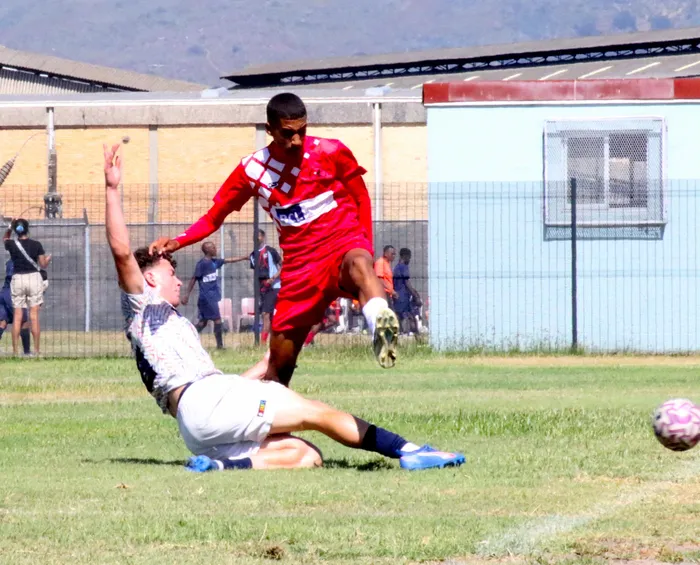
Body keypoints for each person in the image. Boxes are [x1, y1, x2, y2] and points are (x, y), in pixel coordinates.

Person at [104, 143, 464, 472]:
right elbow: (121, 251)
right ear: (149, 279)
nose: (179, 281)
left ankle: (221, 466)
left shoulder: (171, 325)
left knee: (306, 455)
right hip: (205, 403)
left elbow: (213, 387)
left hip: (197, 426)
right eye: (171, 274)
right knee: (317, 413)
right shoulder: (143, 304)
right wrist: (112, 189)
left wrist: (268, 363)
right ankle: (409, 451)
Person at [149, 93, 399, 386]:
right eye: (288, 133)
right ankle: (264, 411)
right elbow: (214, 217)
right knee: (279, 369)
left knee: (359, 263)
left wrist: (366, 247)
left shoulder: (330, 151)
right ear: (269, 129)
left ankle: (382, 328)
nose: (297, 140)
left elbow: (360, 197)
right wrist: (178, 241)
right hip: (300, 267)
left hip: (341, 243)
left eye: (302, 130)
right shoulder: (252, 170)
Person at [3, 219, 50, 356]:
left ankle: (15, 351)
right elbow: (43, 264)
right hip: (34, 278)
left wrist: (9, 228)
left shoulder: (11, 244)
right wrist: (47, 259)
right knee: (34, 316)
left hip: (18, 278)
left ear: (16, 230)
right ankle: (36, 350)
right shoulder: (36, 245)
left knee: (17, 316)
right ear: (27, 229)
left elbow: (5, 238)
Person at [181, 241, 240, 350]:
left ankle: (185, 339)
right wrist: (187, 295)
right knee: (217, 320)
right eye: (213, 247)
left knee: (203, 323)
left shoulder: (214, 262)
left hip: (211, 297)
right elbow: (194, 279)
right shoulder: (202, 264)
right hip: (207, 298)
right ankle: (220, 346)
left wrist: (245, 258)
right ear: (207, 250)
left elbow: (228, 260)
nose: (215, 249)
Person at [248, 229, 281, 344]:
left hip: (274, 286)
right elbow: (256, 272)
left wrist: (273, 278)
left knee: (265, 314)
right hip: (262, 288)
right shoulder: (253, 255)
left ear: (263, 237)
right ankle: (274, 341)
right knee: (269, 316)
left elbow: (283, 266)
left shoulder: (271, 251)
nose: (256, 238)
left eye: (258, 235)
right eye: (254, 236)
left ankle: (261, 344)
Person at [0, 258, 31, 355]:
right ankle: (26, 352)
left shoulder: (10, 261)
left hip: (4, 293)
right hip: (13, 294)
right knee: (24, 321)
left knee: (2, 322)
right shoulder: (19, 261)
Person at [393, 248, 422, 336]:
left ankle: (401, 333)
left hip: (397, 295)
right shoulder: (403, 267)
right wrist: (415, 295)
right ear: (405, 256)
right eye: (409, 257)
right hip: (403, 295)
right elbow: (406, 282)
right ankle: (417, 335)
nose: (409, 260)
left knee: (399, 316)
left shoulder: (396, 267)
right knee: (411, 316)